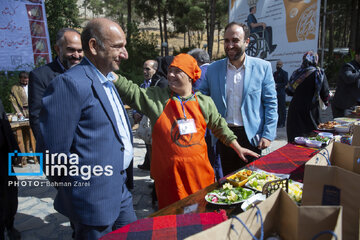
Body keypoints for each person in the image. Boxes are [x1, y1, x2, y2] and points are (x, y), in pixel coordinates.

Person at [114, 53, 260, 209]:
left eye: (177, 71)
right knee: (172, 221)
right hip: (170, 180)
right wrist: (111, 75)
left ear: (190, 76)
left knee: (200, 217)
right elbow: (131, 91)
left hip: (199, 177)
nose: (170, 74)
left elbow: (219, 126)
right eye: (170, 70)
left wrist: (237, 147)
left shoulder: (204, 102)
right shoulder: (157, 99)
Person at [39, 18, 137, 239]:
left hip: (119, 190)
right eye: (118, 46)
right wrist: (80, 192)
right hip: (92, 201)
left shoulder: (107, 80)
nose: (125, 54)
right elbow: (52, 153)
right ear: (93, 46)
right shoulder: (69, 84)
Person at [199, 22, 278, 176]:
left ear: (246, 42)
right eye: (226, 41)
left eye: (235, 40)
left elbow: (271, 104)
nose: (230, 45)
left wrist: (268, 134)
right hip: (224, 135)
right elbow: (202, 98)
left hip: (253, 137)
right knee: (229, 181)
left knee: (251, 182)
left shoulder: (262, 67)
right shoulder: (213, 69)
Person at [29, 28, 83, 147]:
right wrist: (48, 152)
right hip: (57, 149)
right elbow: (37, 118)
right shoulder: (40, 76)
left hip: (85, 150)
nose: (76, 55)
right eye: (71, 50)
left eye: (80, 50)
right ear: (58, 49)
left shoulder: (88, 74)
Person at [286, 51, 330, 142]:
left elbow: (289, 91)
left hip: (295, 108)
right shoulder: (319, 73)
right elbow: (325, 93)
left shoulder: (297, 73)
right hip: (311, 109)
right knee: (312, 136)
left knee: (295, 136)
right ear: (315, 60)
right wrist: (326, 102)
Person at [0, 99, 21, 240]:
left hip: (3, 155)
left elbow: (5, 124)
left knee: (11, 193)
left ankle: (9, 224)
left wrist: (15, 149)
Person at [136, 59, 158, 170]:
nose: (144, 71)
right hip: (144, 119)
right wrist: (136, 113)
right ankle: (147, 163)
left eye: (147, 69)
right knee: (146, 142)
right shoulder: (142, 85)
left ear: (155, 70)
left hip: (152, 120)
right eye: (144, 68)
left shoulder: (157, 85)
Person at [332, 47, 360, 118]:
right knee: (343, 127)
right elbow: (348, 78)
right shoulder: (348, 66)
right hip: (344, 106)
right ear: (357, 55)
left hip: (355, 106)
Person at [273, 60, 288, 128]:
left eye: (279, 64)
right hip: (275, 93)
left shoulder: (284, 73)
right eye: (277, 64)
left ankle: (282, 122)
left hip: (281, 93)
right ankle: (278, 122)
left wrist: (277, 85)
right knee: (277, 108)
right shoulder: (274, 73)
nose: (278, 66)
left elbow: (285, 83)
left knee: (282, 108)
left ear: (282, 65)